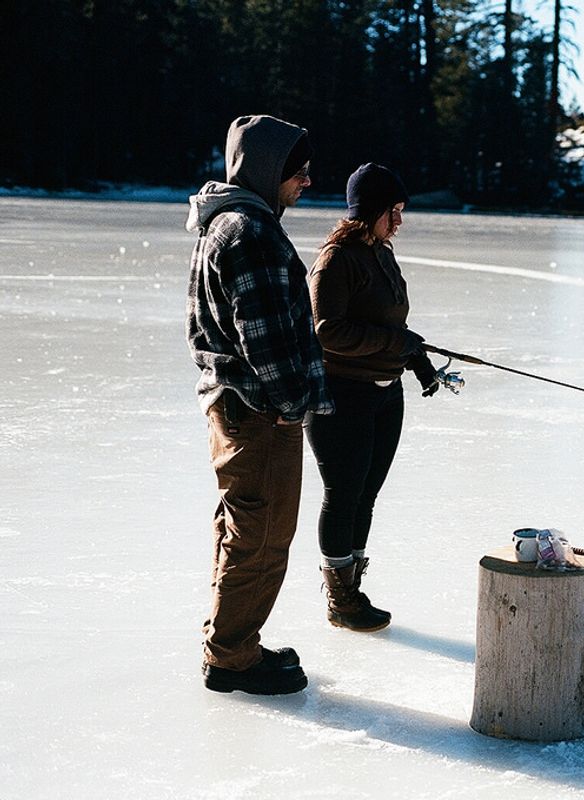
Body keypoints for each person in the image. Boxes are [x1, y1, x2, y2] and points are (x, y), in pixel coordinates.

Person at [185, 115, 333, 694]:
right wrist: (292, 405)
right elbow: (265, 340)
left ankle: (231, 641)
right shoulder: (250, 232)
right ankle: (231, 658)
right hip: (258, 412)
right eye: (298, 171)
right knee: (261, 536)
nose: (306, 181)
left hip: (233, 403)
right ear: (269, 171)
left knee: (243, 527)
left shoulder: (226, 222)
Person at [306, 162, 449, 632]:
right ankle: (340, 598)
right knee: (343, 496)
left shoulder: (381, 253)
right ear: (369, 210)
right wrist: (396, 344)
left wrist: (417, 359)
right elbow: (327, 331)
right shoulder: (337, 259)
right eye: (394, 211)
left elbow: (391, 325)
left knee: (365, 497)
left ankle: (352, 588)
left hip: (386, 395)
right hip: (342, 394)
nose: (400, 221)